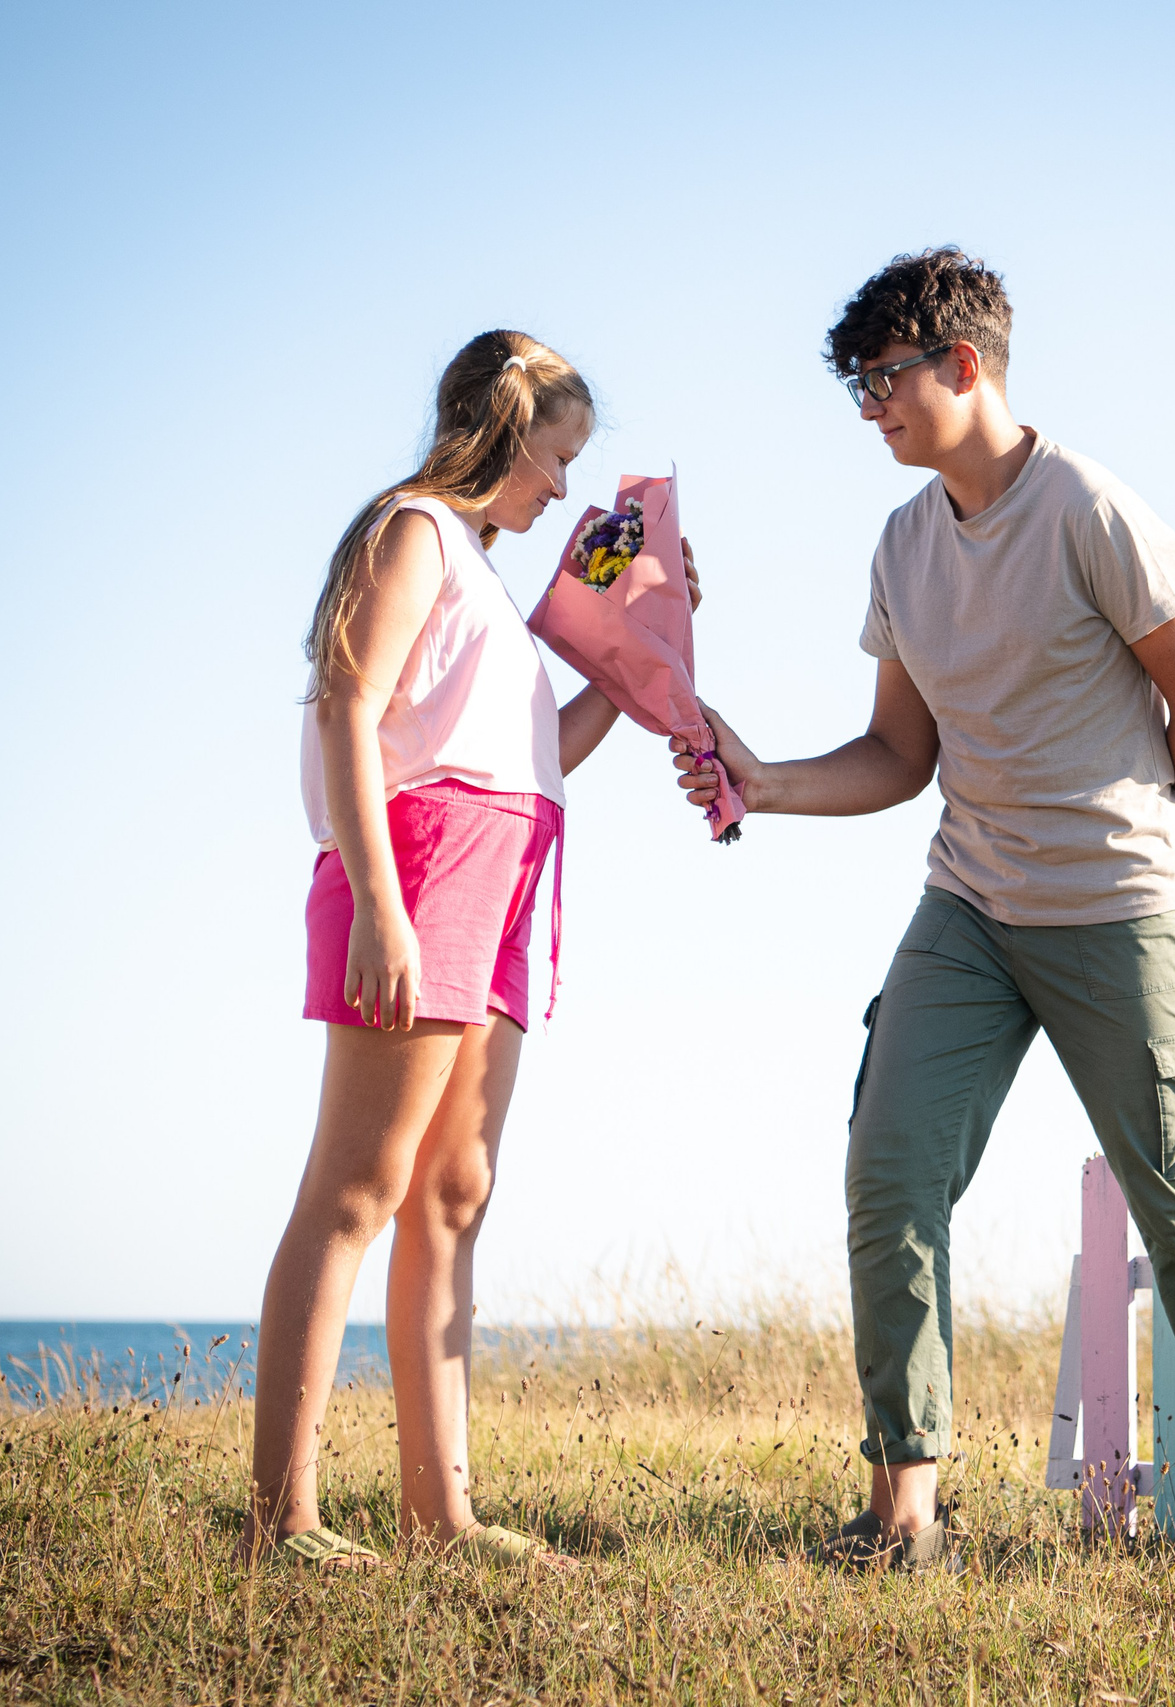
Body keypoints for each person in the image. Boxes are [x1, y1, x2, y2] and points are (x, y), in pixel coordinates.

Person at [671, 250, 1175, 1585]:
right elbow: (899, 752)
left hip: (1120, 911)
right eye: (859, 387)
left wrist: (1148, 853)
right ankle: (903, 1507)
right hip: (968, 908)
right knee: (890, 1173)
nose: (871, 408)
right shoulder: (904, 544)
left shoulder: (1090, 510)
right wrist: (764, 781)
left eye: (885, 380)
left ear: (963, 365)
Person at [246, 331, 688, 1571]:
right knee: (357, 1187)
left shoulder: (484, 576)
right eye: (557, 457)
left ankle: (440, 1517)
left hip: (506, 868)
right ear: (505, 429)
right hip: (423, 861)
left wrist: (650, 644)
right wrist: (379, 904)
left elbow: (542, 755)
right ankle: (281, 1521)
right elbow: (350, 704)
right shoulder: (414, 532)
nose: (564, 488)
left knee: (452, 1192)